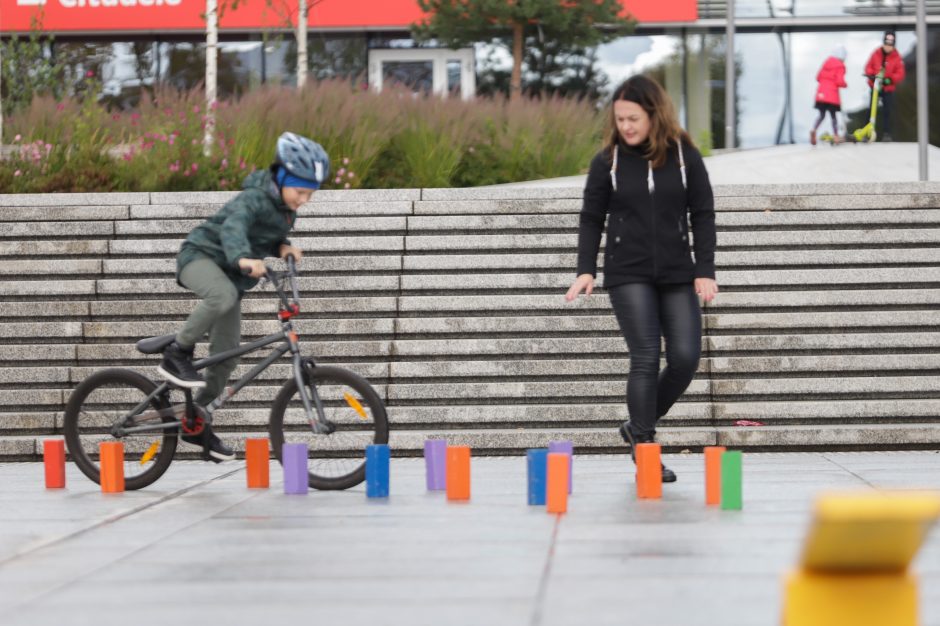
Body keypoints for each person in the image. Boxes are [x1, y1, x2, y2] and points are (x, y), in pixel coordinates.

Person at [565, 75, 717, 483]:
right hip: (627, 271)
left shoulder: (685, 156)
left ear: (654, 114)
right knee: (646, 356)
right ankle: (646, 445)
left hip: (676, 272)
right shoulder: (608, 161)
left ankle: (636, 424)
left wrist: (705, 269)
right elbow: (592, 217)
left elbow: (702, 213)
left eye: (633, 118)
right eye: (620, 119)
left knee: (685, 358)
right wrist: (585, 268)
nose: (626, 126)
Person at [157, 132, 330, 461]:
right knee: (220, 295)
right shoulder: (253, 198)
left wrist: (283, 248)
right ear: (282, 179)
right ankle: (176, 351)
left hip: (231, 277)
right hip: (201, 257)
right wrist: (242, 259)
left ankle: (195, 420)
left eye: (311, 194)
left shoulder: (284, 209)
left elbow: (266, 238)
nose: (305, 199)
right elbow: (234, 229)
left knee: (226, 357)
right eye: (301, 191)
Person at [864, 30, 905, 142]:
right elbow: (868, 67)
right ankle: (866, 132)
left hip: (888, 88)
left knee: (888, 111)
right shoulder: (876, 53)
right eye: (886, 43)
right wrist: (872, 75)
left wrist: (890, 79)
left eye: (890, 44)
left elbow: (900, 73)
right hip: (875, 86)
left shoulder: (897, 57)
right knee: (871, 110)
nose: (888, 47)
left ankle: (887, 134)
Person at [811, 46, 847, 145]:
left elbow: (818, 77)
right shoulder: (840, 66)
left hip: (821, 94)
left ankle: (814, 129)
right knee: (833, 116)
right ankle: (835, 136)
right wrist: (844, 84)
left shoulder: (826, 63)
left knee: (822, 115)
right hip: (832, 95)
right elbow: (840, 81)